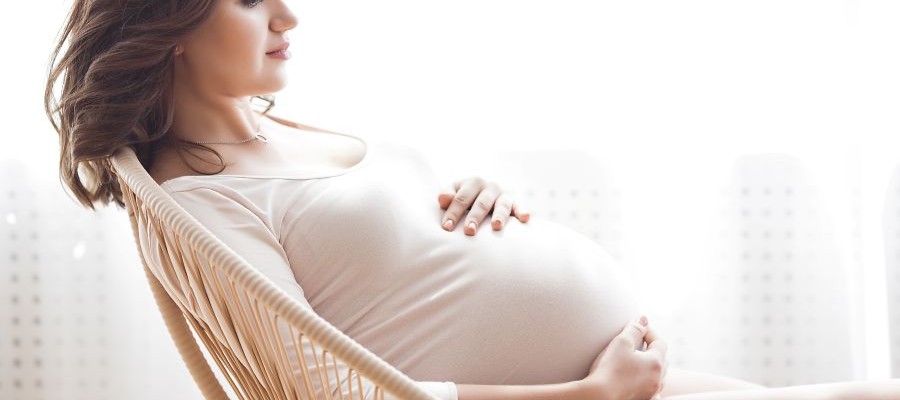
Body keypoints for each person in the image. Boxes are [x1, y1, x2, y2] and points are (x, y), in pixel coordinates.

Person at [44, 1, 900, 399]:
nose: (289, 15)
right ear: (167, 31)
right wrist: (589, 398)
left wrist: (470, 200)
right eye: (247, 0)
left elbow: (394, 257)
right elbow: (331, 398)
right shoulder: (198, 204)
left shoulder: (285, 133)